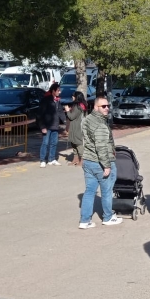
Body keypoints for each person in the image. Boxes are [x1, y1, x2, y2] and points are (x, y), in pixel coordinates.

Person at [79, 96, 123, 229]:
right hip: (99, 162)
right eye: (103, 106)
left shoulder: (86, 120)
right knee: (106, 191)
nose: (107, 108)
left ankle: (85, 220)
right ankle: (108, 217)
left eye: (107, 106)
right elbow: (101, 147)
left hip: (88, 160)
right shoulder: (101, 126)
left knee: (89, 191)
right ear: (95, 107)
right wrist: (107, 166)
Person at [38, 82, 65, 167]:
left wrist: (65, 121)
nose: (59, 92)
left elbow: (60, 111)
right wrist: (42, 126)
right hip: (47, 126)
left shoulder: (57, 100)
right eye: (58, 90)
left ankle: (51, 159)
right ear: (53, 91)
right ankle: (42, 160)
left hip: (55, 125)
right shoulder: (46, 100)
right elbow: (40, 114)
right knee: (45, 143)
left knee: (54, 143)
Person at [63, 91, 87, 166]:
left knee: (77, 143)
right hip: (76, 126)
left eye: (73, 96)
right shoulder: (81, 105)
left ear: (76, 97)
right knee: (73, 143)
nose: (72, 97)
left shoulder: (77, 106)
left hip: (76, 127)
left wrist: (67, 111)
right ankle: (75, 159)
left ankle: (82, 160)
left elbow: (71, 117)